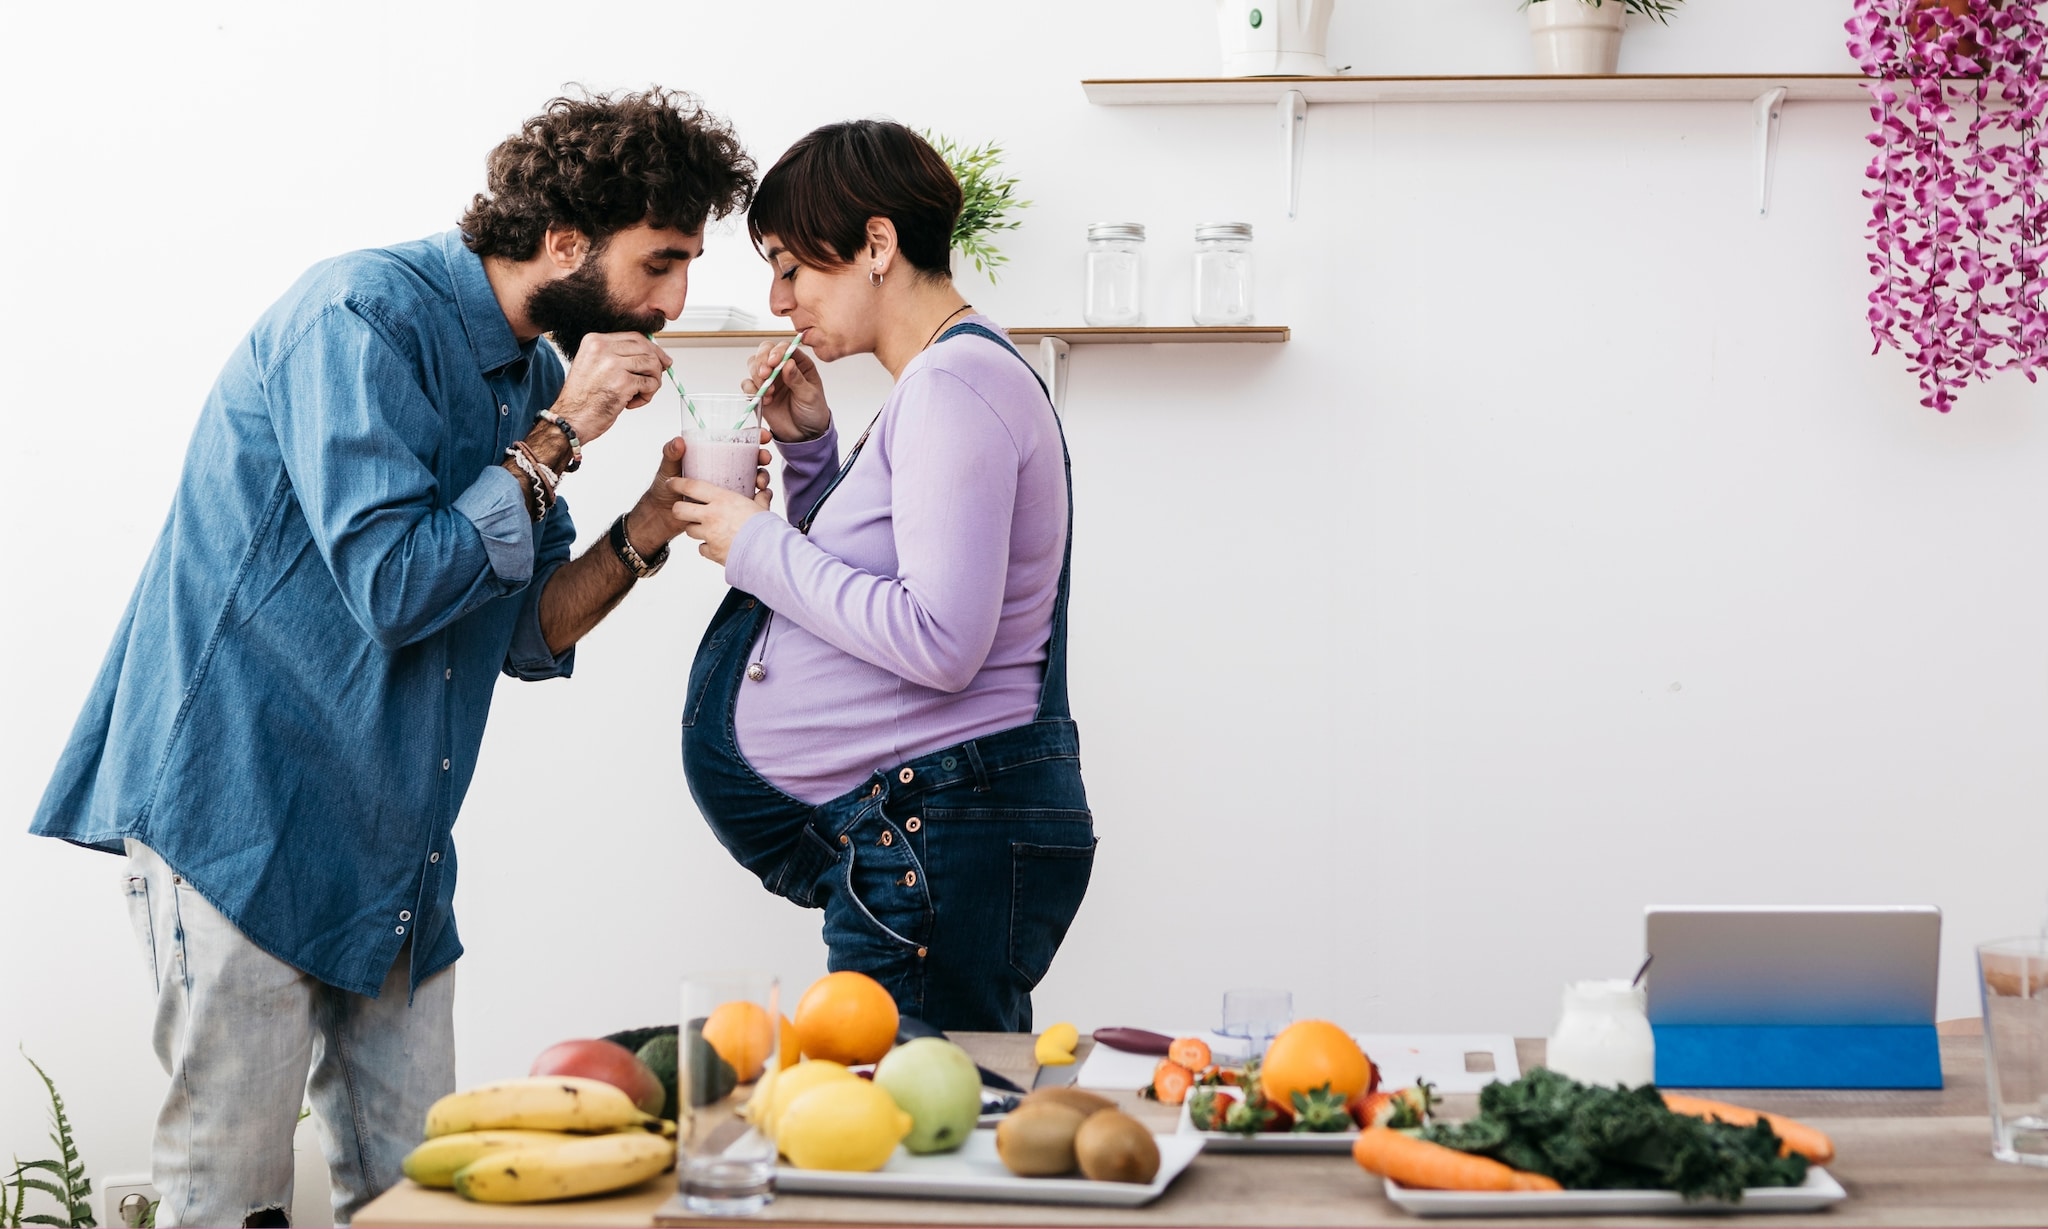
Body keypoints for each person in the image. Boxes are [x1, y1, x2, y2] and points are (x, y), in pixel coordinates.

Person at [28, 88, 756, 1227]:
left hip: (394, 852)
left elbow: (523, 629)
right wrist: (561, 435)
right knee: (226, 1196)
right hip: (241, 816)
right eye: (660, 263)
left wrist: (646, 526)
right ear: (566, 239)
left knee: (430, 1196)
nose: (671, 301)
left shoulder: (522, 378)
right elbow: (396, 586)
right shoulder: (358, 315)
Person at [671, 120, 1095, 1033]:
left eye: (791, 266)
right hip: (921, 837)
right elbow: (886, 577)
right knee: (927, 1123)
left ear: (875, 245)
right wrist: (814, 453)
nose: (779, 298)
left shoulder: (955, 387)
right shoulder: (950, 378)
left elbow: (939, 639)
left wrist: (752, 542)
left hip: (929, 840)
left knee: (919, 1147)